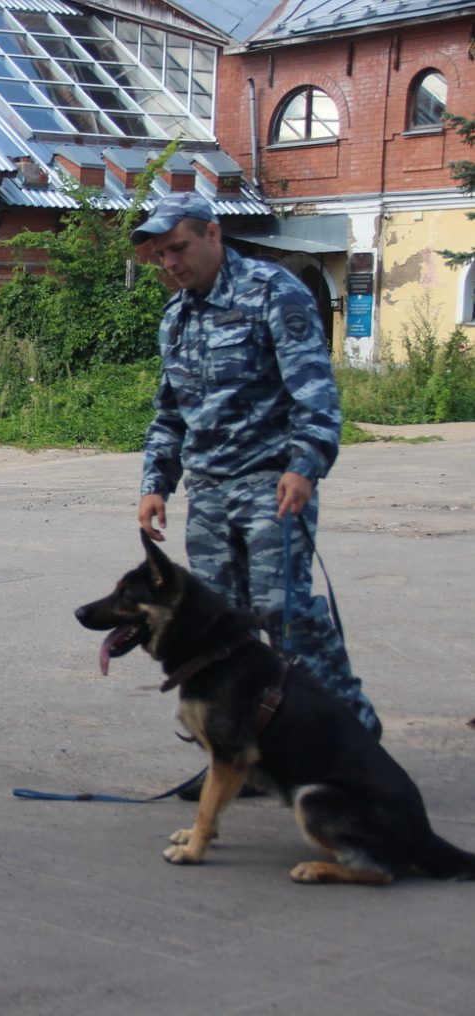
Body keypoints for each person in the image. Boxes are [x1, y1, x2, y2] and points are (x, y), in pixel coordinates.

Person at [133, 191, 380, 744]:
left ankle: (352, 735)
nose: (170, 263)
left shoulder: (273, 292)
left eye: (179, 248)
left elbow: (315, 392)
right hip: (209, 493)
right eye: (161, 256)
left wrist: (305, 465)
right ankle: (238, 751)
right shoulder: (176, 317)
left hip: (271, 483)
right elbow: (170, 412)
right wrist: (156, 483)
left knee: (282, 613)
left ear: (213, 234)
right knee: (219, 628)